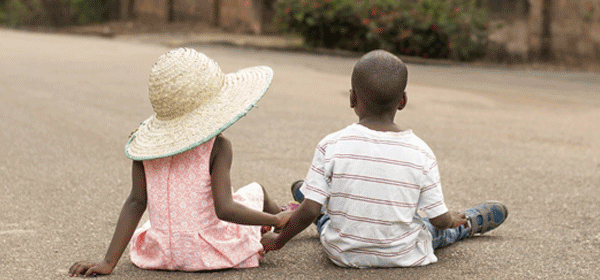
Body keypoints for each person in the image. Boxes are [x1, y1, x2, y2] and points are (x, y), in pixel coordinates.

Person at [261, 49, 508, 268]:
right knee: (435, 231)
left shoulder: (331, 145)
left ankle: (316, 198)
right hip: (404, 253)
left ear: (352, 98)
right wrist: (451, 219)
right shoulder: (422, 152)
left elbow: (306, 212)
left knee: (321, 215)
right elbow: (439, 220)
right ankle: (467, 225)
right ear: (402, 101)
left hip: (343, 254)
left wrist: (278, 242)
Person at [69, 48, 293, 277]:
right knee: (256, 190)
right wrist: (274, 218)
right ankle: (282, 218)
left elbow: (136, 202)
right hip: (208, 252)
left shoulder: (145, 148)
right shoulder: (219, 147)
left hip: (161, 253)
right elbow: (225, 209)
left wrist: (108, 262)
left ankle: (272, 219)